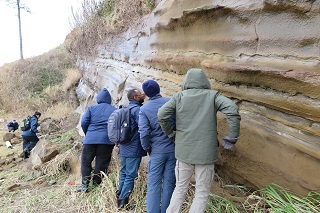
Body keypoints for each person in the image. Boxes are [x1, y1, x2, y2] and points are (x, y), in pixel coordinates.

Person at [158, 68, 241, 213]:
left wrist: (170, 134)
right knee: (202, 193)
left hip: (184, 152)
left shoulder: (179, 97)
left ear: (186, 82)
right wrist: (232, 136)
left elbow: (161, 115)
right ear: (204, 82)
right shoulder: (213, 96)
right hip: (206, 153)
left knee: (180, 189)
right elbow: (232, 110)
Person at [138, 80, 176, 213]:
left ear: (147, 94)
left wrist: (147, 148)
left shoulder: (144, 109)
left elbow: (144, 133)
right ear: (159, 89)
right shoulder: (171, 102)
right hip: (173, 150)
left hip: (156, 151)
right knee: (170, 183)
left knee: (154, 184)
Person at [76, 88, 117, 193]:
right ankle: (95, 185)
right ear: (109, 100)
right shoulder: (114, 110)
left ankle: (84, 185)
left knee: (86, 161)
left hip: (90, 140)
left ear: (98, 99)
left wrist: (88, 134)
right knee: (101, 163)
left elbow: (84, 122)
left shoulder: (91, 109)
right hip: (106, 141)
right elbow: (116, 126)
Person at [117, 88, 147, 209]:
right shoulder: (137, 110)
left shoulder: (125, 109)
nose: (143, 95)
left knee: (124, 173)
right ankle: (123, 203)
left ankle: (119, 197)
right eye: (140, 94)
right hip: (133, 149)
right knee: (130, 175)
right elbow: (143, 128)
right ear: (134, 97)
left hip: (124, 147)